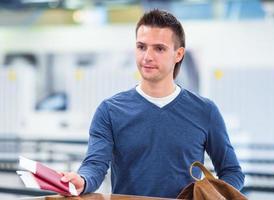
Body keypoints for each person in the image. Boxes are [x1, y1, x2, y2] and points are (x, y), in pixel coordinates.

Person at [61, 9, 245, 198]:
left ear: (178, 54)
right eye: (141, 47)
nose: (147, 56)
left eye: (159, 48)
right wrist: (82, 180)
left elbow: (232, 172)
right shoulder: (110, 111)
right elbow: (95, 165)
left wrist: (213, 196)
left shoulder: (205, 111)